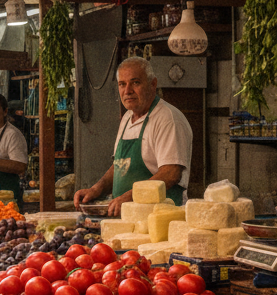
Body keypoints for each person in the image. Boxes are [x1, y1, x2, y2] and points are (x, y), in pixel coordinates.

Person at [74, 57, 193, 216]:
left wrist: (130, 197)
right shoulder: (127, 119)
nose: (127, 90)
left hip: (160, 217)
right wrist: (96, 189)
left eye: (135, 82)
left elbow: (171, 173)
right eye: (122, 84)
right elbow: (120, 165)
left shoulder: (168, 119)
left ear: (153, 84)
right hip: (128, 218)